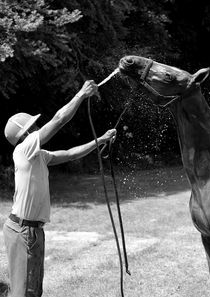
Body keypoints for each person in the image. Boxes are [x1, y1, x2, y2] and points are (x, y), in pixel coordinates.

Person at [2, 80, 117, 297]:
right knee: (24, 292)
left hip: (32, 230)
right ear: (26, 134)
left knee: (32, 290)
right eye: (35, 126)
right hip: (23, 231)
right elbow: (59, 119)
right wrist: (81, 94)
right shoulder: (24, 150)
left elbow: (71, 153)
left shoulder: (39, 157)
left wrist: (99, 140)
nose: (38, 128)